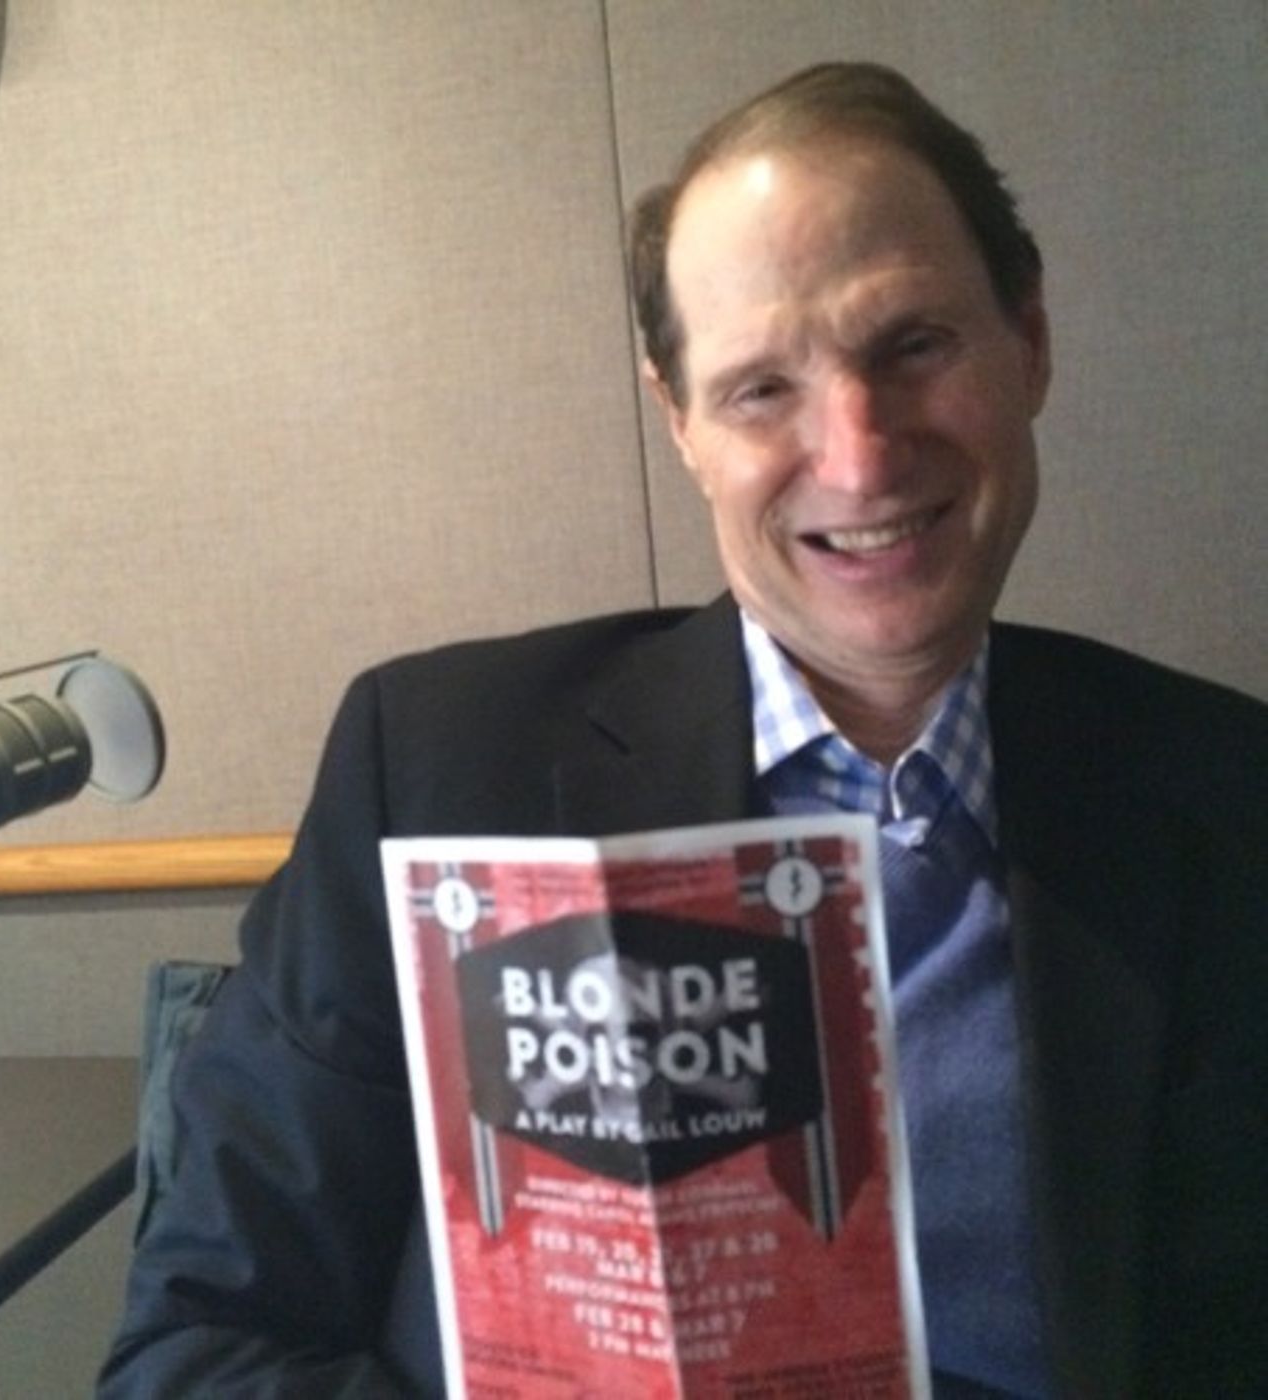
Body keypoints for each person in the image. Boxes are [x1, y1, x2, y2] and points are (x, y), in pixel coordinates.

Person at [98, 62, 1267, 1398]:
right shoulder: (431, 773)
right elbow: (193, 1350)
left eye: (914, 346)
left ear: (1031, 345)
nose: (861, 456)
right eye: (762, 388)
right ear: (683, 425)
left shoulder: (1231, 796)